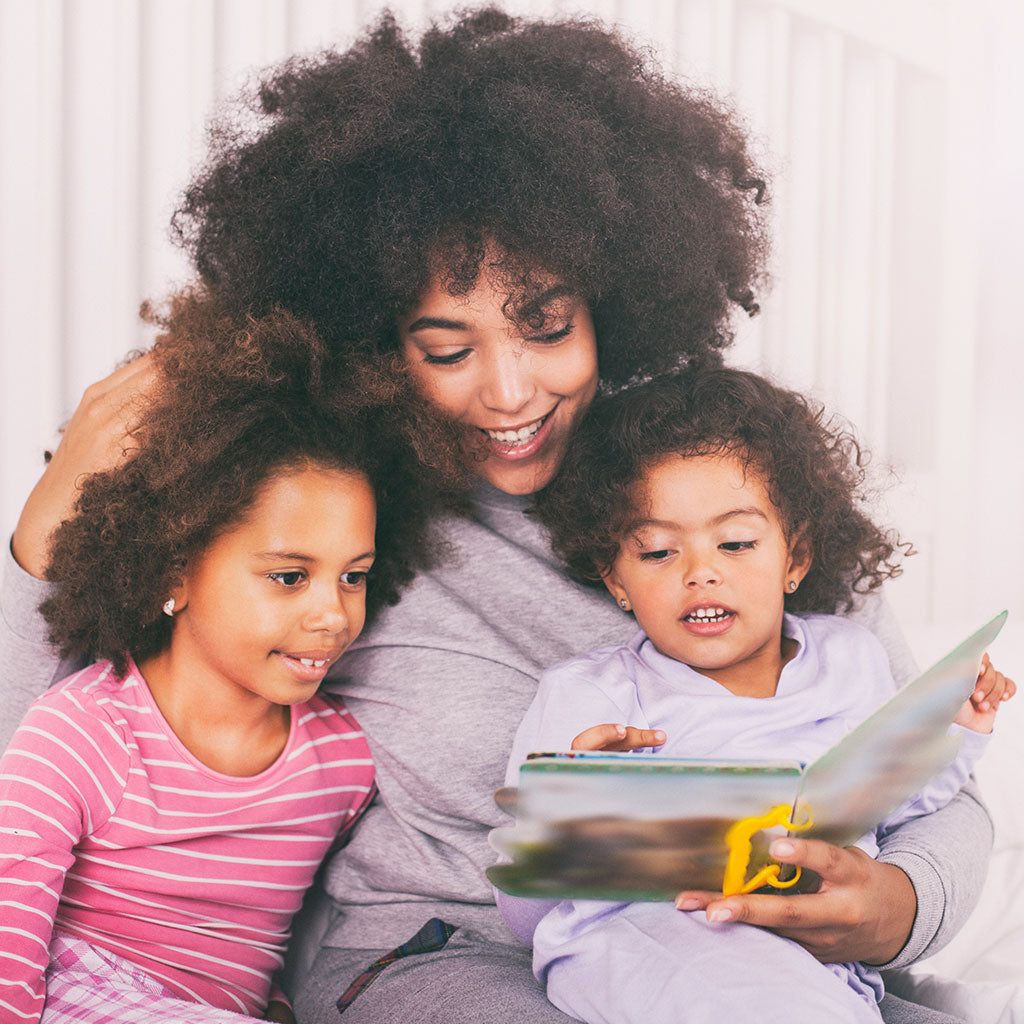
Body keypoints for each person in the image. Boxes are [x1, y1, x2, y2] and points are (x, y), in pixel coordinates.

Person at [0, 9, 994, 1023]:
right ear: (380, 341)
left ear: (612, 298)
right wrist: (41, 551)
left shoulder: (727, 480)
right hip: (447, 957)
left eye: (546, 326)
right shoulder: (335, 524)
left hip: (771, 954)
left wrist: (899, 906)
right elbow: (52, 756)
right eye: (447, 348)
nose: (510, 392)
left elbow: (929, 773)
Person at [497, 368, 1014, 1024]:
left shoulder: (850, 657)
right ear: (616, 580)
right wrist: (565, 817)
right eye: (657, 553)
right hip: (646, 944)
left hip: (818, 959)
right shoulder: (588, 694)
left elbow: (899, 799)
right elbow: (525, 917)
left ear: (794, 558)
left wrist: (959, 729)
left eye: (736, 543)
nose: (700, 571)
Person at [0, 291, 454, 1023]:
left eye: (354, 576)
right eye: (287, 576)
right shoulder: (80, 735)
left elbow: (270, 942)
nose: (332, 614)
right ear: (175, 571)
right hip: (68, 991)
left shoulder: (341, 764)